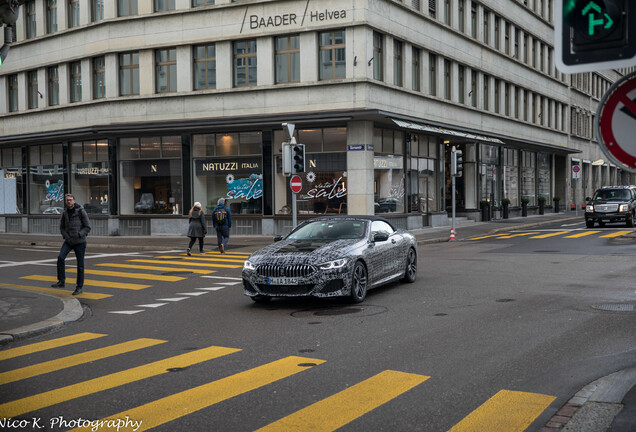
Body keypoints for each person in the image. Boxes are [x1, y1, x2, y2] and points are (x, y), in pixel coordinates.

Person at [51, 193, 91, 295]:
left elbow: (87, 227)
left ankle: (79, 287)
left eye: (70, 200)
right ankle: (61, 281)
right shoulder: (65, 213)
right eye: (67, 200)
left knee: (80, 265)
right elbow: (62, 227)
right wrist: (66, 236)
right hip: (68, 241)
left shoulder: (81, 211)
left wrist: (79, 234)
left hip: (80, 242)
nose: (69, 201)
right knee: (60, 257)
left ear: (74, 201)